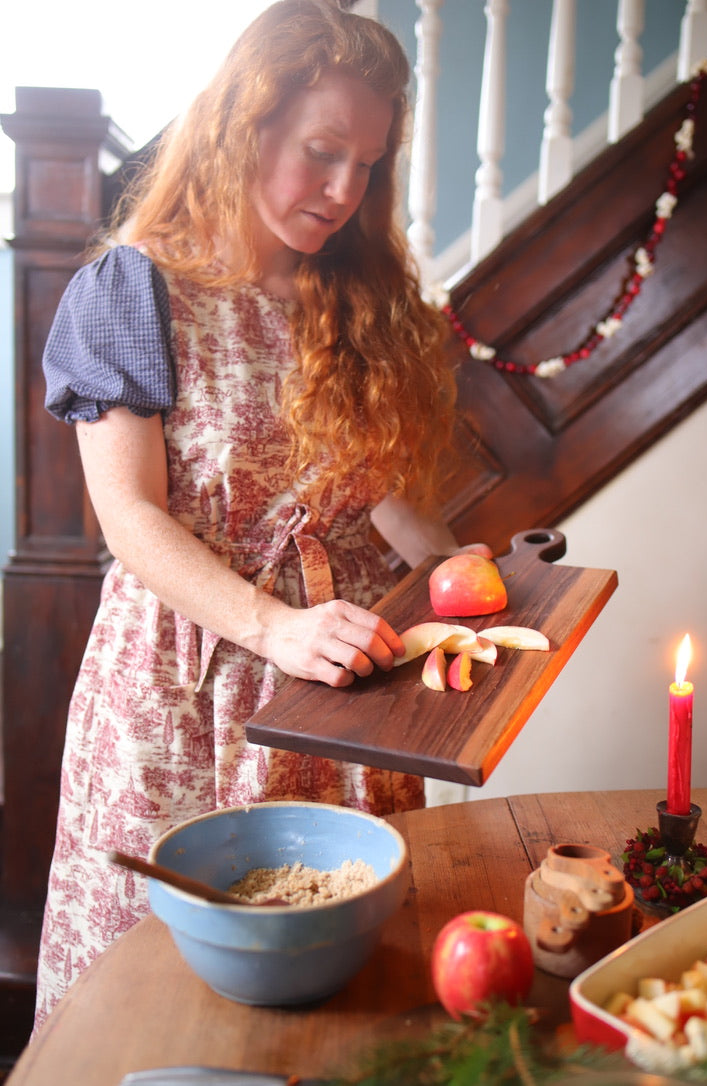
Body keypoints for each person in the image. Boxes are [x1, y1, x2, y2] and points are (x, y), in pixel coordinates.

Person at [35, 0, 486, 1028]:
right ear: (245, 122)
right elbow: (130, 518)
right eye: (322, 152)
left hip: (343, 685)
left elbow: (375, 493)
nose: (344, 190)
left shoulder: (349, 298)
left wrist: (464, 573)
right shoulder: (135, 289)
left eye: (366, 164)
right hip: (187, 686)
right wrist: (276, 627)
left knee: (336, 979)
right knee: (163, 989)